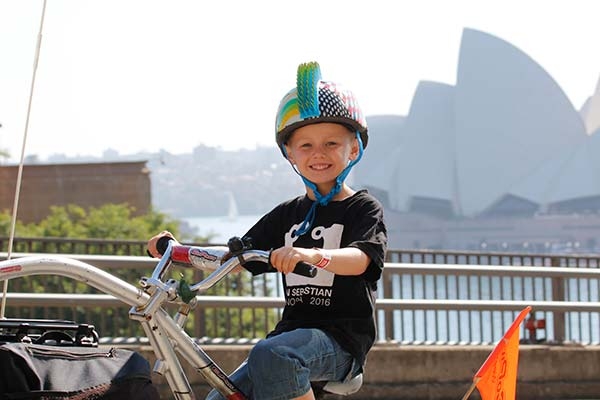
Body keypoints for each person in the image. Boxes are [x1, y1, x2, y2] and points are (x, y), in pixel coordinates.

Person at [147, 61, 387, 400]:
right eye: (305, 146)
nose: (318, 154)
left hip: (340, 342)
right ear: (290, 153)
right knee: (220, 396)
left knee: (273, 354)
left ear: (354, 148)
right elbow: (236, 258)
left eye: (331, 143)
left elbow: (361, 258)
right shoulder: (286, 214)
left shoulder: (362, 208)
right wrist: (178, 251)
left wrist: (312, 255)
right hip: (288, 337)